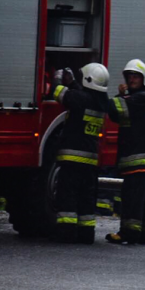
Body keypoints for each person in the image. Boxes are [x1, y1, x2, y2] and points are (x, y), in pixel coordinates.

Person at [50, 63, 110, 244]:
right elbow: (81, 96)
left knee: (67, 196)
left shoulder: (80, 98)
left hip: (71, 159)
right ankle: (86, 235)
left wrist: (57, 78)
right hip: (90, 161)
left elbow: (58, 93)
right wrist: (74, 82)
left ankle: (66, 234)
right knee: (86, 198)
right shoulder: (101, 102)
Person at [105, 59, 145, 245]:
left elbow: (114, 108)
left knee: (132, 197)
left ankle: (129, 233)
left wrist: (113, 95)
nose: (131, 79)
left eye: (135, 76)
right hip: (142, 157)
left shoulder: (141, 97)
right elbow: (117, 115)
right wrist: (123, 95)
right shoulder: (141, 97)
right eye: (129, 76)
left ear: (144, 79)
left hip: (137, 157)